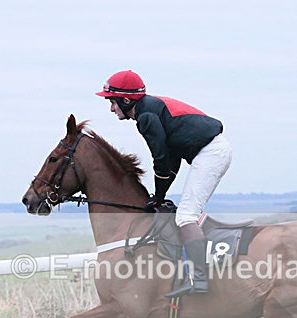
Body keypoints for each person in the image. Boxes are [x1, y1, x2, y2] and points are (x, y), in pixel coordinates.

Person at [96, 70, 232, 297]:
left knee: (185, 216)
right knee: (186, 213)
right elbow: (171, 160)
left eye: (112, 102)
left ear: (126, 100)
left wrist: (158, 196)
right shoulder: (149, 108)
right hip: (211, 151)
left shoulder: (145, 117)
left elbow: (161, 160)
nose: (111, 108)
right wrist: (159, 195)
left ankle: (199, 281)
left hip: (210, 153)